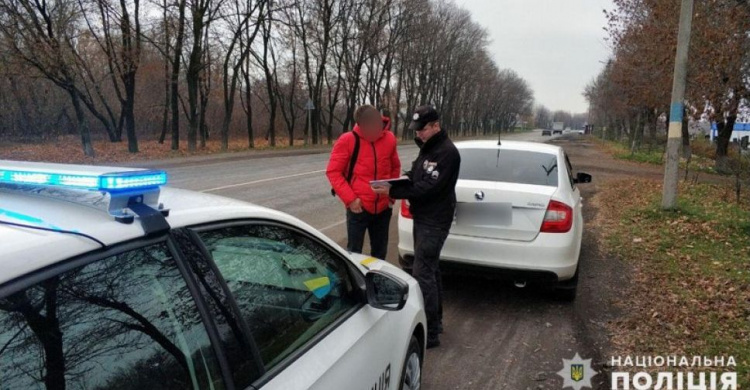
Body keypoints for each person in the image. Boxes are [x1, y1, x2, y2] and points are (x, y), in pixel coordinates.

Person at [372, 105, 460, 349]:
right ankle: (437, 322)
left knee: (422, 273)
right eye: (417, 129)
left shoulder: (446, 153)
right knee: (431, 271)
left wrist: (395, 190)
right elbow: (417, 175)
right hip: (424, 218)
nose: (418, 133)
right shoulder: (429, 148)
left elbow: (429, 188)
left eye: (422, 129)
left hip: (435, 220)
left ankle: (430, 333)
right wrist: (397, 181)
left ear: (435, 126)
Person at [327, 105, 400, 260]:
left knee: (380, 254)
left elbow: (395, 167)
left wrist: (391, 196)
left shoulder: (389, 139)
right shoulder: (347, 140)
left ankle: (378, 282)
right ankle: (357, 284)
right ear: (360, 126)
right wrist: (351, 200)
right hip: (359, 208)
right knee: (354, 254)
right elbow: (333, 172)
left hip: (383, 208)